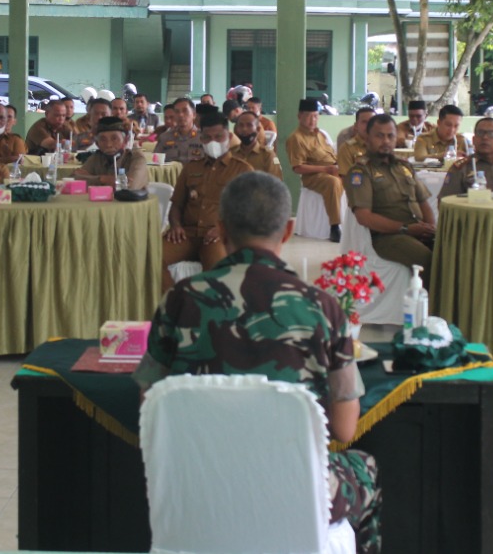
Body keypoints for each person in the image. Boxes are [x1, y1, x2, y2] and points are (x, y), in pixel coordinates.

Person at [133, 172, 381, 554]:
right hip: (291, 489)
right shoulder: (322, 307)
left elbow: (151, 405)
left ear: (220, 228)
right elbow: (345, 429)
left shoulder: (181, 298)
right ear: (288, 230)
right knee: (364, 465)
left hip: (200, 486)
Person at [162, 112, 253, 289]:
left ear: (230, 136)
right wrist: (175, 225)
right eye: (207, 137)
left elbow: (248, 212)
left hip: (218, 236)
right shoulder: (191, 168)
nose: (213, 142)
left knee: (217, 273)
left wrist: (222, 228)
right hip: (186, 234)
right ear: (201, 139)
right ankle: (171, 304)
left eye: (218, 136)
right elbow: (177, 204)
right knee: (150, 257)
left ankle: (210, 313)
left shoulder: (243, 170)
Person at [347, 114, 435, 272]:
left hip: (417, 231)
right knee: (426, 259)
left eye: (390, 136)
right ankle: (430, 297)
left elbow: (424, 203)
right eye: (379, 136)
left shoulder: (405, 166)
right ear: (367, 138)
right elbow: (364, 216)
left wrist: (430, 229)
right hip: (388, 236)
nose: (386, 141)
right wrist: (406, 228)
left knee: (453, 251)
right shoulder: (361, 171)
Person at [285, 98, 344, 242]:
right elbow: (298, 168)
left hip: (333, 169)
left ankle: (359, 225)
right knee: (332, 183)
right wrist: (326, 169)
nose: (313, 120)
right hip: (314, 176)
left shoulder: (321, 134)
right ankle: (335, 227)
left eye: (316, 116)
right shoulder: (296, 138)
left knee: (358, 178)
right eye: (309, 116)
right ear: (300, 116)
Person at [438, 117, 493, 199]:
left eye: (491, 134)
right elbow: (445, 202)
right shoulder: (461, 168)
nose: (485, 137)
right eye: (480, 133)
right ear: (473, 140)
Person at [75, 117, 150, 190]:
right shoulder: (98, 156)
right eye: (103, 139)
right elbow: (74, 179)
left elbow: (130, 186)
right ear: (97, 144)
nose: (108, 145)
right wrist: (103, 179)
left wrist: (92, 179)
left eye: (114, 139)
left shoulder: (136, 157)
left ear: (125, 140)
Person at [230, 110, 283, 178]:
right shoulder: (231, 154)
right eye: (241, 125)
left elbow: (276, 183)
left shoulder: (268, 155)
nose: (244, 129)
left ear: (257, 129)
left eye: (249, 125)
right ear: (236, 129)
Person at [155, 97, 203, 163]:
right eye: (177, 112)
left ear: (194, 115)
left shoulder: (203, 137)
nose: (181, 115)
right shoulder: (165, 137)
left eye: (185, 111)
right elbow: (155, 161)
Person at [337, 107, 376, 177]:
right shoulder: (346, 149)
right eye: (364, 122)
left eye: (372, 122)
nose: (369, 126)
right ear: (356, 126)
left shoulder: (382, 146)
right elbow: (346, 180)